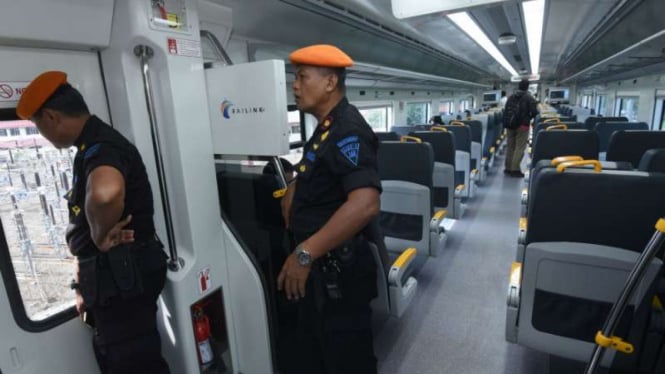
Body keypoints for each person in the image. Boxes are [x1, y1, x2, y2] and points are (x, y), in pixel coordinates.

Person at [16, 71, 170, 373]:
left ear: (50, 117)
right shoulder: (90, 145)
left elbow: (105, 194)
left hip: (122, 275)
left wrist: (99, 238)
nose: (44, 138)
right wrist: (83, 274)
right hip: (116, 275)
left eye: (38, 127)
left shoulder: (102, 147)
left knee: (133, 363)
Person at [277, 44, 381, 374]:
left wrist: (305, 254)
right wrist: (295, 185)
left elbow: (365, 204)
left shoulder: (347, 129)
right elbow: (319, 168)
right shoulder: (325, 128)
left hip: (339, 276)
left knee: (348, 362)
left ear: (329, 83)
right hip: (322, 274)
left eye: (302, 77)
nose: (294, 86)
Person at [503, 79, 538, 177]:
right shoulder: (529, 98)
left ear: (518, 86)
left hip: (510, 125)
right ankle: (515, 170)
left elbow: (505, 111)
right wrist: (528, 118)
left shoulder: (510, 97)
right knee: (519, 147)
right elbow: (534, 112)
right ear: (527, 87)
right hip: (522, 126)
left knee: (510, 147)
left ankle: (508, 168)